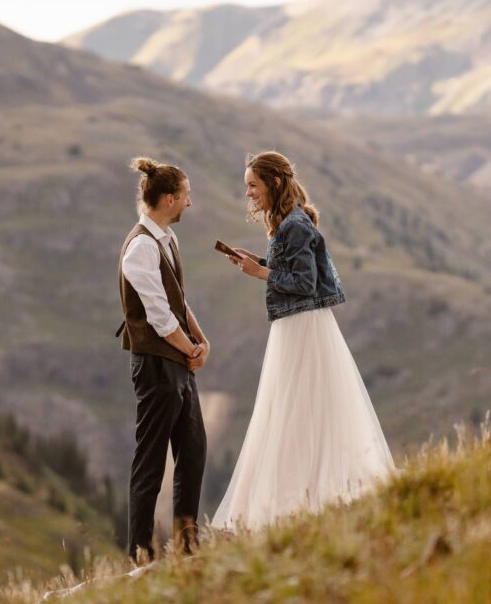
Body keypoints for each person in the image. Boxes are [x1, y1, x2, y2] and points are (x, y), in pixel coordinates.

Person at [210, 151, 395, 531]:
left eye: (253, 185)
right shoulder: (290, 222)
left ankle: (302, 496)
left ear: (274, 183)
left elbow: (305, 283)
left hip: (302, 326)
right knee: (299, 406)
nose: (249, 194)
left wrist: (261, 273)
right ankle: (303, 494)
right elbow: (292, 268)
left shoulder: (293, 224)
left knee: (297, 406)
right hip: (296, 324)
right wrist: (260, 262)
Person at [118, 157, 209, 562]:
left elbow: (177, 301)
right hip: (156, 366)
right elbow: (157, 316)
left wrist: (200, 339)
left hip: (177, 362)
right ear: (170, 198)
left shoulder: (167, 240)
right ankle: (140, 552)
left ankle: (188, 544)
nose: (189, 204)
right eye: (186, 197)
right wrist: (189, 349)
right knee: (151, 460)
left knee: (193, 451)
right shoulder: (140, 246)